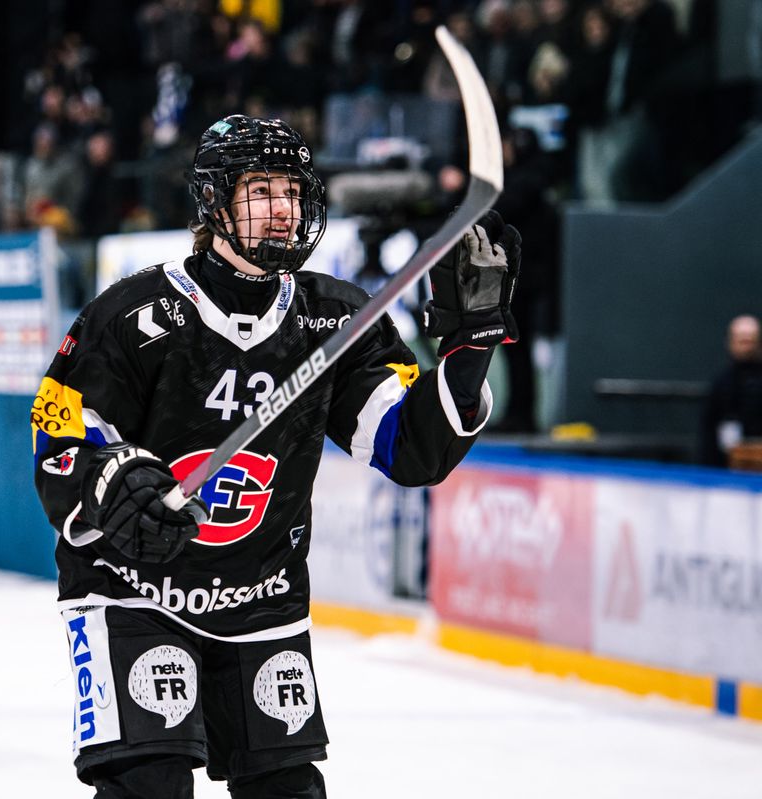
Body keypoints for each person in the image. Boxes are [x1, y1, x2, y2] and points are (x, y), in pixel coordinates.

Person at [32, 115, 521, 798]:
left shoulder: (335, 318)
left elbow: (409, 449)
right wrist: (114, 480)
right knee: (148, 786)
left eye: (292, 190)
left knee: (288, 791)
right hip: (131, 592)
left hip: (262, 598)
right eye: (261, 190)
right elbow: (62, 438)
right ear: (214, 202)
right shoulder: (133, 314)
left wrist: (467, 358)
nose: (284, 208)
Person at [699, 314, 762, 467]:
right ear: (731, 342)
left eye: (750, 341)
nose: (746, 347)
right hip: (725, 467)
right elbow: (709, 431)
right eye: (741, 341)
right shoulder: (721, 384)